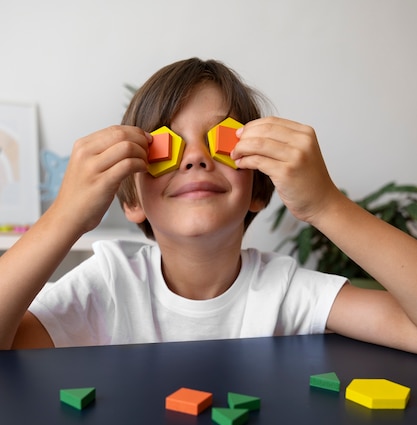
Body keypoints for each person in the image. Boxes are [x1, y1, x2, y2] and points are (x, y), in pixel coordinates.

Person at [2, 57, 417, 352]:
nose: (195, 157)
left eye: (223, 140)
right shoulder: (107, 284)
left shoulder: (285, 290)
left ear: (258, 187)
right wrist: (64, 217)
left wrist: (326, 206)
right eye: (166, 145)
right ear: (132, 198)